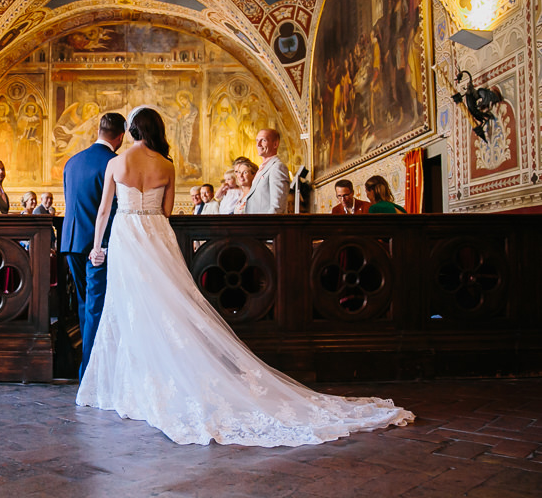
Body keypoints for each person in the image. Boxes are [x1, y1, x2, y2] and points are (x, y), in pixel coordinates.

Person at [77, 106, 414, 446]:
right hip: (156, 233)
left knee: (130, 306)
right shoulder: (166, 165)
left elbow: (105, 209)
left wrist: (96, 247)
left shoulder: (116, 163)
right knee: (170, 305)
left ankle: (137, 384)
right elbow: (165, 211)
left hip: (126, 236)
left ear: (132, 131)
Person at [61, 112, 126, 379]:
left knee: (84, 304)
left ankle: (92, 366)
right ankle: (90, 373)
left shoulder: (72, 161)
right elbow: (112, 209)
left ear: (99, 130)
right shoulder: (115, 162)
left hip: (71, 242)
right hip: (98, 246)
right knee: (96, 307)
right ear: (120, 136)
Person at [240, 128, 290, 214]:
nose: (258, 145)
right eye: (257, 141)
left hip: (266, 226)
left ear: (275, 144)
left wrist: (267, 226)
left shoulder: (277, 167)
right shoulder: (262, 168)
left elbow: (277, 207)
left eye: (263, 140)